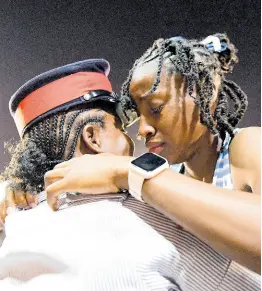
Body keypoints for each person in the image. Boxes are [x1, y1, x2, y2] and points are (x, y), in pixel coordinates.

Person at [44, 33, 261, 282]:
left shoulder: (246, 146)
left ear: (206, 93)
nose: (142, 130)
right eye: (139, 116)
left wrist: (128, 171)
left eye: (156, 108)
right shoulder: (170, 175)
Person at [0, 59, 189, 290]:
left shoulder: (15, 226)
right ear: (93, 138)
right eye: (119, 128)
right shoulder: (152, 223)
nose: (133, 138)